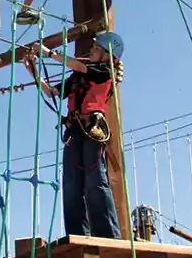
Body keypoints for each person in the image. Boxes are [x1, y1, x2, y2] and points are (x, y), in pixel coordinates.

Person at [23, 30, 125, 239]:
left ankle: (108, 236)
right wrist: (34, 73)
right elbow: (52, 92)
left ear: (107, 55)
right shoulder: (77, 77)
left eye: (96, 48)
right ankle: (78, 234)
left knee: (95, 180)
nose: (91, 50)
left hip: (91, 129)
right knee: (71, 183)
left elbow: (80, 66)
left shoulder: (105, 70)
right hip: (74, 130)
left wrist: (49, 54)